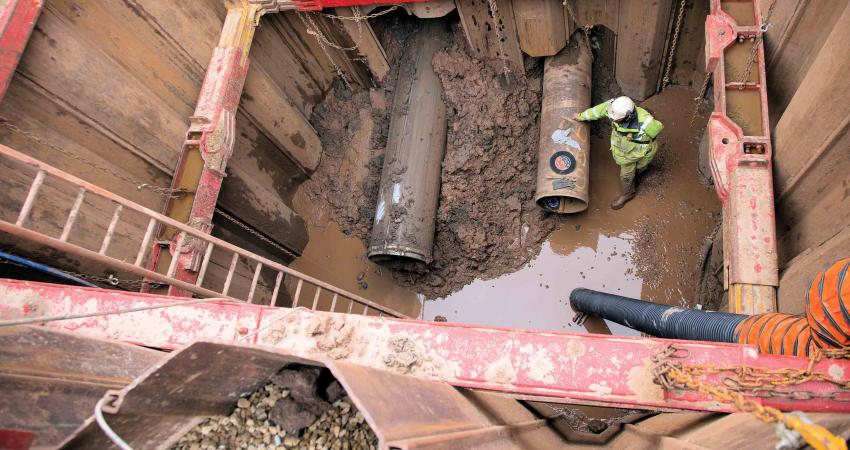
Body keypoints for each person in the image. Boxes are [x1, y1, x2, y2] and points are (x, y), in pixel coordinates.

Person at [575, 96, 664, 209]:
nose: (612, 120)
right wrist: (581, 116)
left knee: (641, 167)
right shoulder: (613, 108)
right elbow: (597, 111)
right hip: (627, 156)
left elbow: (656, 130)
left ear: (628, 116)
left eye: (616, 119)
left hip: (643, 152)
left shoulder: (646, 123)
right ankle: (627, 194)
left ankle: (638, 174)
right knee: (626, 176)